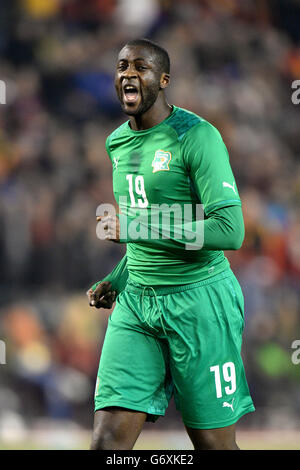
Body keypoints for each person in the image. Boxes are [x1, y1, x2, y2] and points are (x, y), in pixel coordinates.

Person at [87, 38, 255, 450]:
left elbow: (230, 231)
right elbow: (142, 232)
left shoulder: (198, 137)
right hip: (137, 306)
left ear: (163, 80)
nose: (128, 73)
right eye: (122, 65)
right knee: (107, 443)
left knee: (213, 445)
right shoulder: (116, 143)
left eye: (140, 67)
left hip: (199, 302)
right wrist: (119, 276)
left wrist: (139, 226)